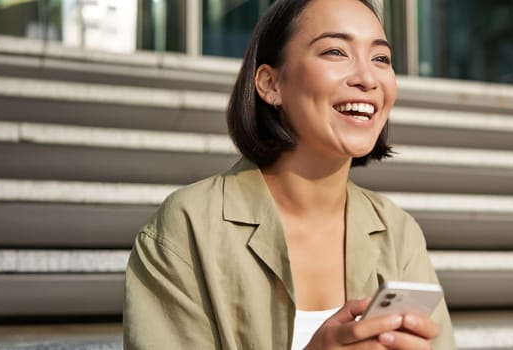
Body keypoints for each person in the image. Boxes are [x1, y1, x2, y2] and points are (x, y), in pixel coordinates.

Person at [123, 0, 456, 348]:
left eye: (381, 59)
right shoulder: (188, 225)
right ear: (270, 84)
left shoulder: (398, 232)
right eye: (335, 52)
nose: (367, 79)